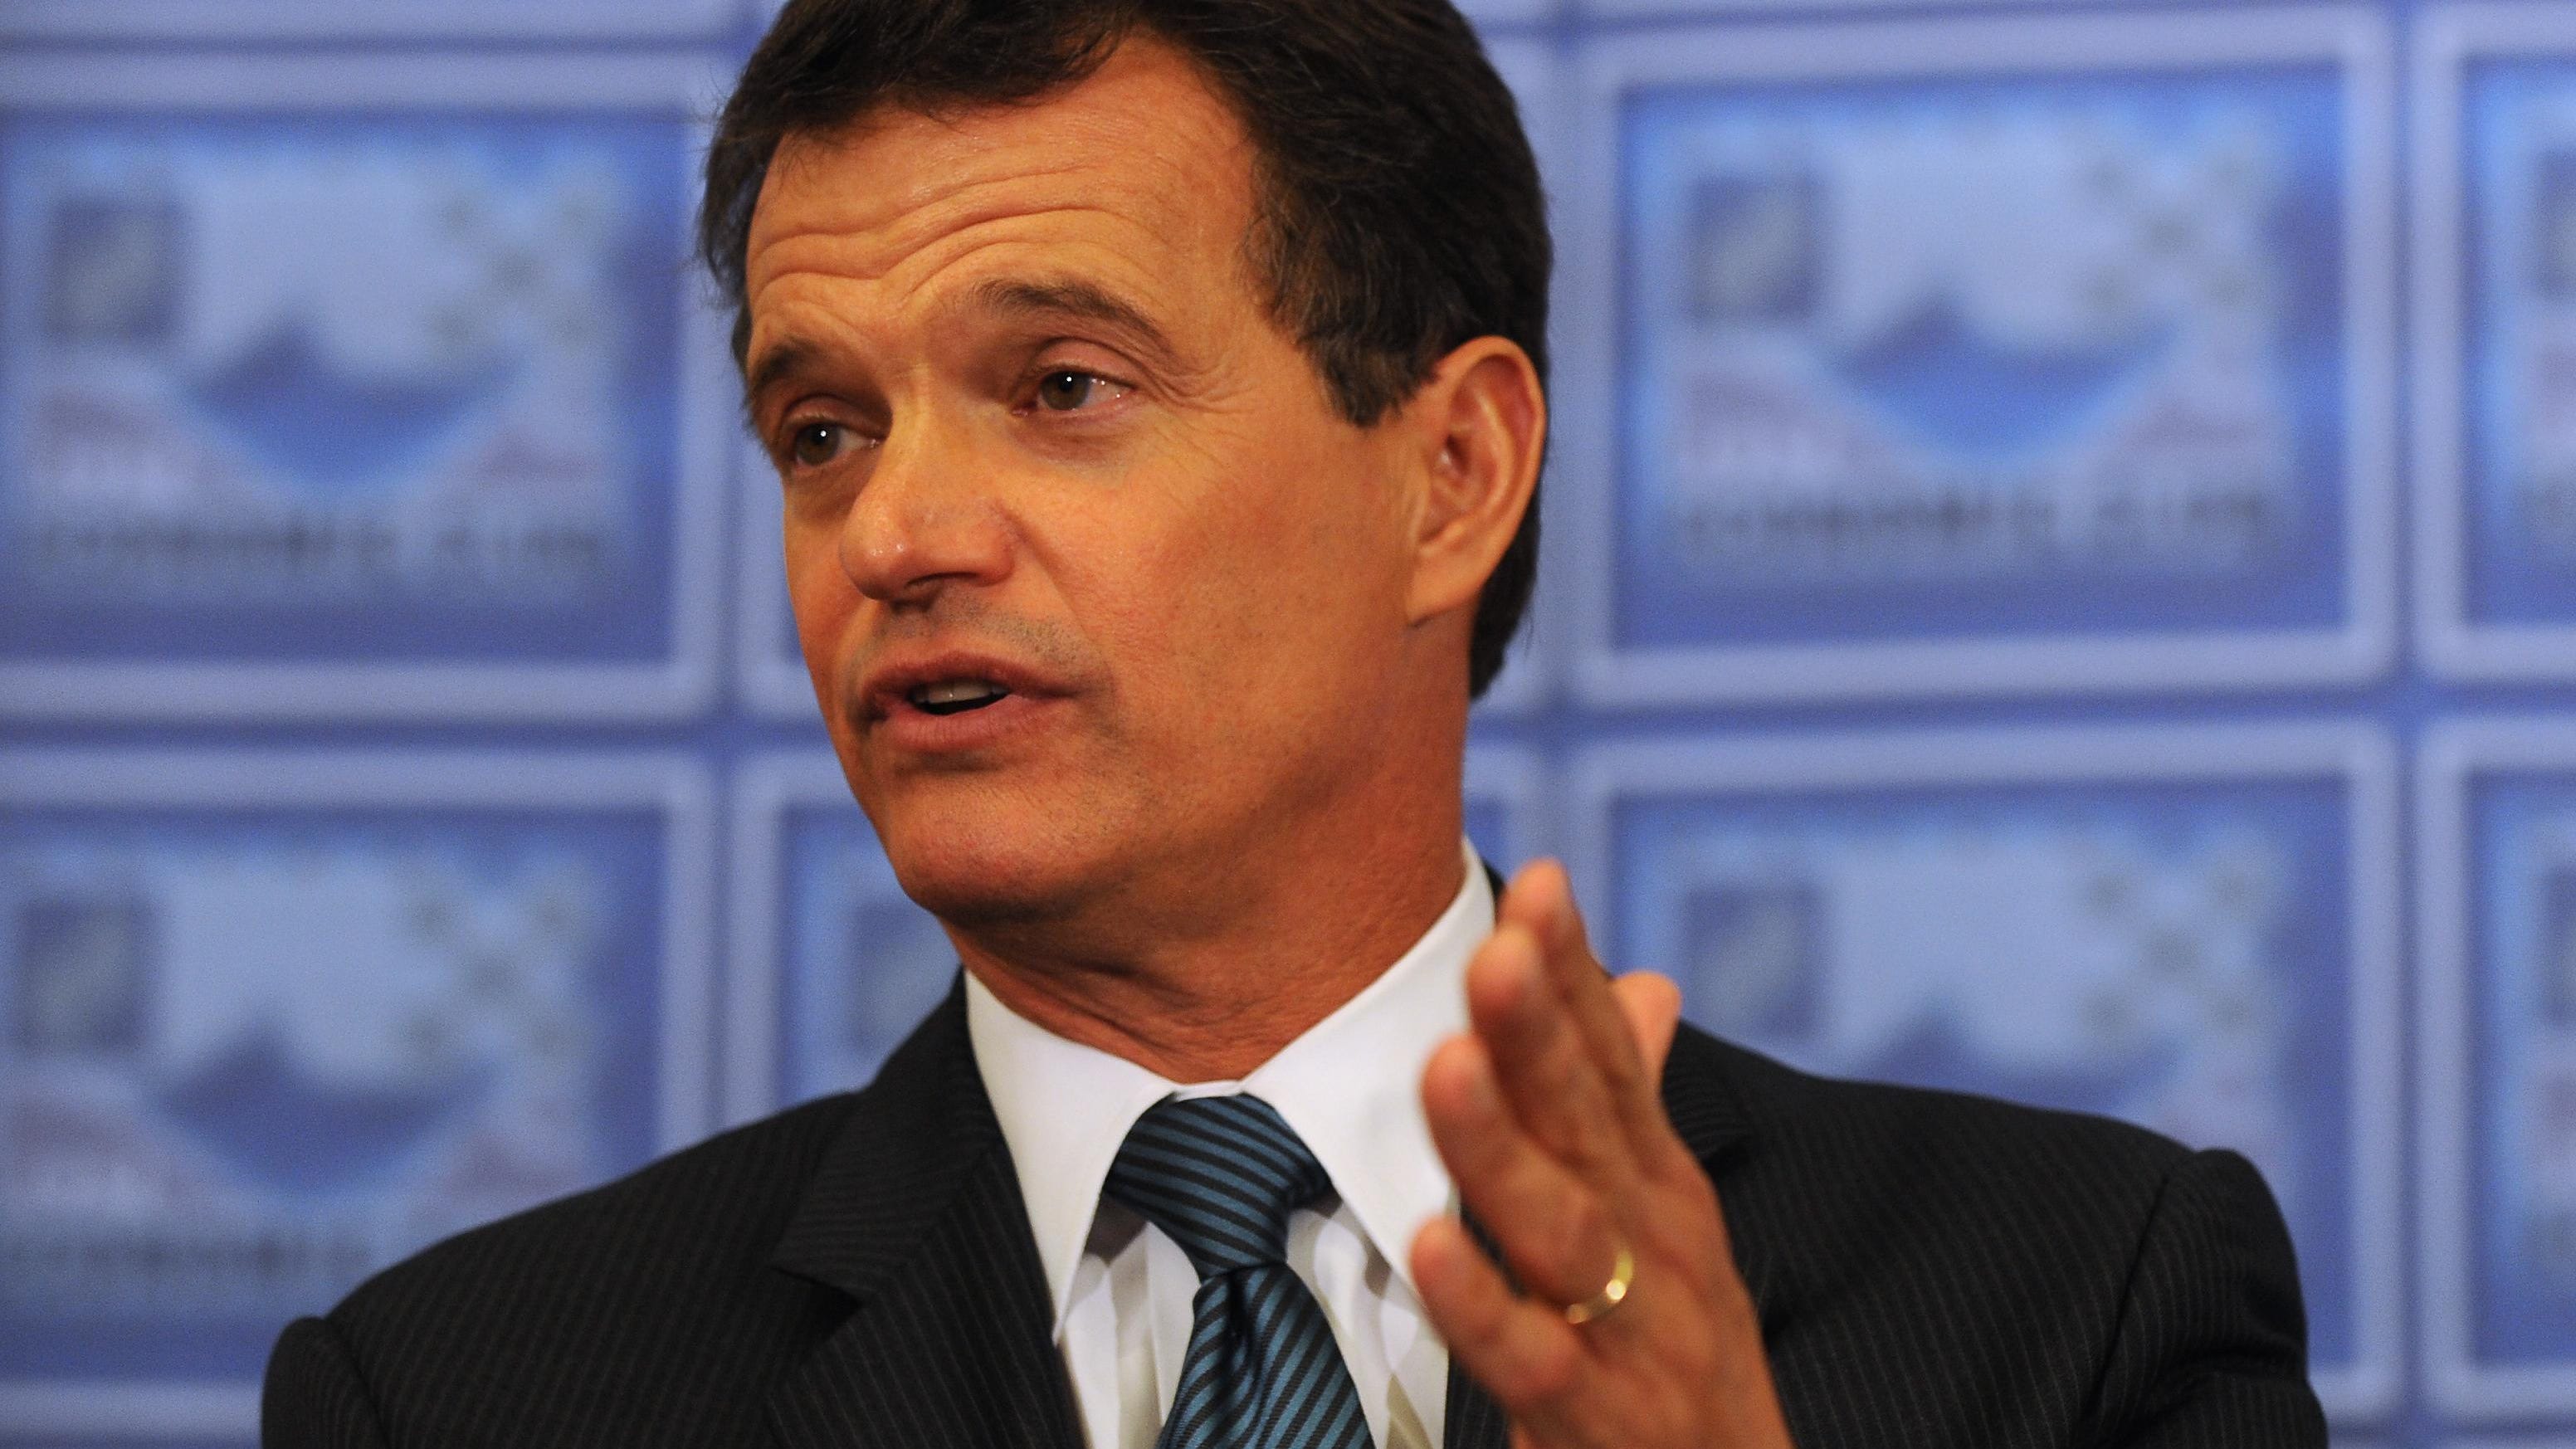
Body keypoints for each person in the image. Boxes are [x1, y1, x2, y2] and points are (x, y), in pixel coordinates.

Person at [261, 1, 2327, 1445]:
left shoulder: (2080, 1310)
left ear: (1450, 475)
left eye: (1062, 387)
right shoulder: (454, 1397)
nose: (893, 533)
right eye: (822, 429)